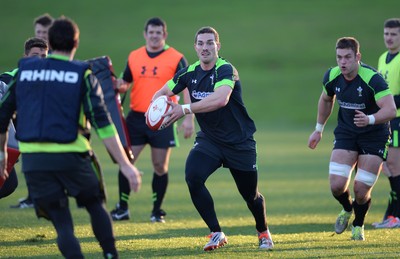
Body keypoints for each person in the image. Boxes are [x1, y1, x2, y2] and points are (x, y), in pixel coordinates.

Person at [0, 16, 142, 258]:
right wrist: (125, 165)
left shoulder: (23, 72)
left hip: (35, 162)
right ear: (76, 44)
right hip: (72, 157)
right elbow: (104, 124)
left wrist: (3, 155)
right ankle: (110, 254)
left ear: (51, 43)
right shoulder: (82, 74)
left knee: (62, 222)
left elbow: (2, 117)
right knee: (95, 205)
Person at [151, 26, 274, 251]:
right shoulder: (189, 73)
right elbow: (160, 93)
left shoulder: (226, 70)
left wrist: (184, 110)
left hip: (239, 142)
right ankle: (216, 232)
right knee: (193, 177)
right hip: (210, 141)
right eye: (201, 43)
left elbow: (220, 100)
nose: (205, 47)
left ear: (218, 46)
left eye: (210, 43)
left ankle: (263, 231)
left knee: (250, 195)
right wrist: (158, 109)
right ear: (195, 47)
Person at [308, 37, 396, 240]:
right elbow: (326, 99)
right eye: (339, 57)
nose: (343, 62)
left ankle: (358, 225)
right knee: (337, 185)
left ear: (358, 57)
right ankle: (347, 209)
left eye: (348, 57)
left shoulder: (372, 78)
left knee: (361, 189)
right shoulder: (332, 76)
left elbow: (390, 109)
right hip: (347, 133)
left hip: (375, 135)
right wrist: (318, 129)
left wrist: (370, 119)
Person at [110, 17, 194, 223]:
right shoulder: (134, 56)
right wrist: (114, 84)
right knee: (126, 161)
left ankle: (157, 211)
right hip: (137, 118)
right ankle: (122, 208)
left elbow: (187, 86)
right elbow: (125, 83)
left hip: (164, 118)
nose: (154, 36)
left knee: (159, 165)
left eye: (159, 32)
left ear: (164, 35)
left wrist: (188, 117)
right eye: (151, 32)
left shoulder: (176, 58)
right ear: (145, 34)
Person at [0, 37, 48, 202]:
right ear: (25, 57)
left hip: (12, 144)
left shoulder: (47, 84)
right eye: (35, 55)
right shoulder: (9, 79)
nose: (39, 60)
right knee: (7, 183)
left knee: (7, 185)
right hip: (4, 142)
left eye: (43, 56)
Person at [373, 18, 400, 228]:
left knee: (393, 164)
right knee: (387, 167)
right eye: (386, 34)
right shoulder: (383, 58)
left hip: (398, 119)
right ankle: (391, 213)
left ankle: (395, 216)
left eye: (394, 34)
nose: (389, 38)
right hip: (386, 119)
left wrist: (387, 102)